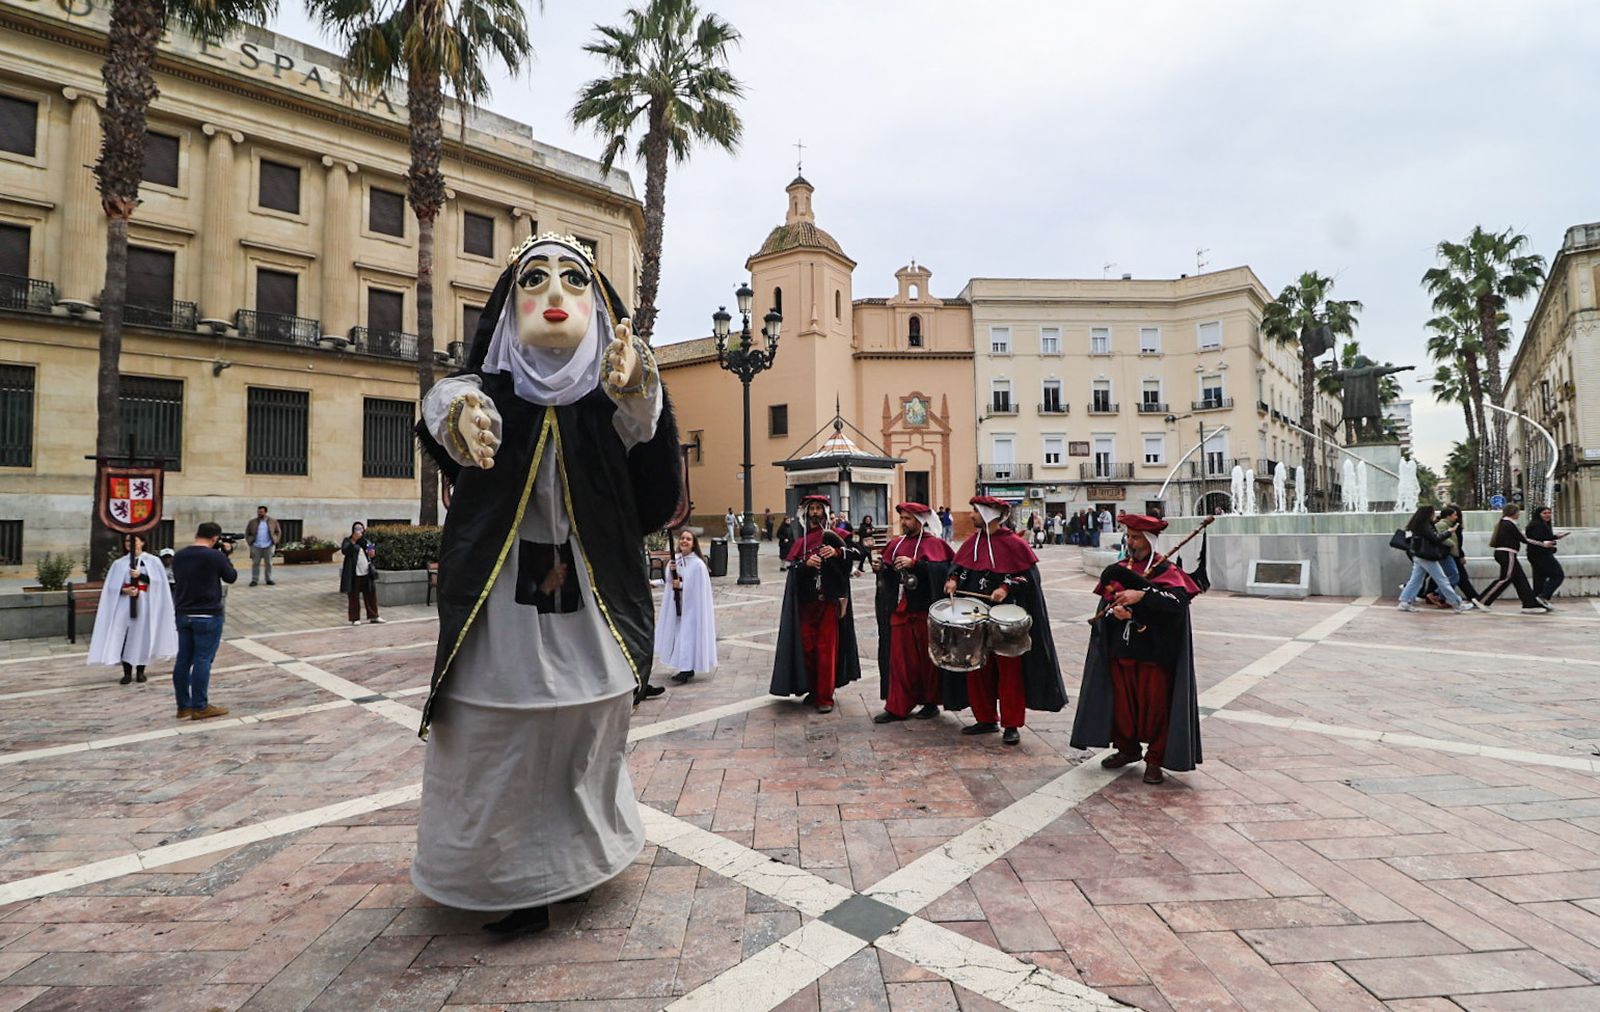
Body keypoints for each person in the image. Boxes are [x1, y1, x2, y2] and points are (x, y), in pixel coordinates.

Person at [410, 233, 683, 936]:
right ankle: (513, 881)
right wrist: (459, 420)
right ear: (510, 304)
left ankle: (581, 864)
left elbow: (644, 430)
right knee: (496, 736)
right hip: (502, 614)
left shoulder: (611, 398)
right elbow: (447, 405)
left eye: (575, 280)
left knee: (588, 731)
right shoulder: (484, 395)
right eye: (536, 279)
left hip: (589, 602)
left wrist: (639, 384)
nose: (557, 295)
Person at [1072, 514, 1203, 784]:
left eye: (1135, 537)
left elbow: (1176, 606)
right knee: (1122, 708)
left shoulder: (1167, 571)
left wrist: (1143, 596)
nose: (1130, 542)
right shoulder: (1121, 567)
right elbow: (1105, 605)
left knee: (1156, 710)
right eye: (1128, 536)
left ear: (1149, 539)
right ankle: (1127, 749)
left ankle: (1155, 759)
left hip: (1154, 655)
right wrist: (1114, 613)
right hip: (1121, 651)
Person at [944, 495, 1068, 746]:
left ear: (990, 514)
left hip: (1005, 621)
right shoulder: (972, 542)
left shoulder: (1015, 544)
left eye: (976, 512)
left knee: (1009, 672)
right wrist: (953, 580)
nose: (971, 516)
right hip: (975, 618)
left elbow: (1027, 578)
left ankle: (1011, 724)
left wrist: (1005, 587)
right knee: (977, 668)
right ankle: (986, 718)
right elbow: (960, 568)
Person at [771, 495, 862, 714]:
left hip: (828, 603)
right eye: (811, 509)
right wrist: (805, 564)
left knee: (826, 650)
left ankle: (825, 697)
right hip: (805, 604)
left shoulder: (838, 535)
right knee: (808, 650)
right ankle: (812, 690)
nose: (814, 513)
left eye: (818, 509)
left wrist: (837, 552)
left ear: (825, 512)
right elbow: (792, 569)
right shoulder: (801, 542)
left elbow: (859, 553)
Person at [871, 502, 956, 724]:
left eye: (908, 519)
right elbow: (890, 574)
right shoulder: (896, 544)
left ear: (920, 521)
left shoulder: (935, 544)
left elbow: (944, 571)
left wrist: (917, 564)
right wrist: (881, 568)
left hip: (924, 612)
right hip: (900, 611)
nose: (904, 523)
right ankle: (897, 705)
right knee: (899, 660)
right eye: (903, 518)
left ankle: (930, 703)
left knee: (927, 661)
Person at [89, 531, 177, 685]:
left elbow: (159, 583)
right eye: (127, 541)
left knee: (143, 637)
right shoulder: (119, 564)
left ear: (142, 542)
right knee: (126, 637)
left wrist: (140, 576)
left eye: (134, 540)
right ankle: (127, 672)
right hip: (125, 605)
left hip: (145, 604)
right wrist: (124, 590)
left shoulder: (153, 561)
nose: (130, 543)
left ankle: (141, 671)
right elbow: (111, 587)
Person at [170, 522, 237, 720]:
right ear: (215, 538)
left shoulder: (179, 555)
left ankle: (183, 706)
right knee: (202, 659)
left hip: (183, 613)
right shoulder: (214, 556)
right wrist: (225, 555)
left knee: (183, 659)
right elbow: (231, 576)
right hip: (207, 614)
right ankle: (200, 706)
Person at [656, 529, 716, 684]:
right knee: (679, 635)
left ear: (693, 544)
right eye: (682, 538)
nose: (684, 541)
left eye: (688, 539)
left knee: (688, 635)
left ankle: (686, 669)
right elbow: (668, 581)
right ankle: (686, 667)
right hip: (678, 606)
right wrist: (671, 572)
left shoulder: (698, 565)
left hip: (692, 608)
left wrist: (681, 584)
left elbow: (698, 588)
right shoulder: (674, 560)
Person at [1395, 506, 1473, 613]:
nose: (1434, 515)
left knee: (1416, 580)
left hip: (1418, 556)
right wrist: (1449, 532)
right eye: (1432, 513)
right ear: (1427, 515)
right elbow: (1436, 539)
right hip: (1427, 557)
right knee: (1442, 580)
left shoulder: (1417, 525)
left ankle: (1405, 602)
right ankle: (1457, 603)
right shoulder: (1425, 526)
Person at [1479, 504, 1549, 613]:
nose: (1519, 514)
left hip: (1506, 553)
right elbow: (1524, 539)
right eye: (1518, 512)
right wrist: (1543, 544)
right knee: (1506, 578)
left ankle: (1529, 604)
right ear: (1513, 513)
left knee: (1520, 579)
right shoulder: (1509, 524)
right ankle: (1483, 600)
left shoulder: (1505, 523)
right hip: (1507, 553)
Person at [340, 522, 385, 625]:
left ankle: (374, 616)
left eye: (361, 529)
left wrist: (372, 552)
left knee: (370, 595)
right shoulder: (348, 541)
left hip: (366, 573)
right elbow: (344, 550)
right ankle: (355, 618)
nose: (359, 531)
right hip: (354, 574)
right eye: (357, 529)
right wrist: (354, 540)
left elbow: (372, 553)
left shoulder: (366, 541)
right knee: (354, 596)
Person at [1525, 506, 1567, 607]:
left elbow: (1542, 538)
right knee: (1558, 575)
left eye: (1549, 513)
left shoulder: (1541, 524)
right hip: (1540, 555)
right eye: (1545, 513)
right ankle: (1544, 596)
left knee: (1540, 578)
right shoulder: (1537, 525)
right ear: (1539, 514)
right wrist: (1546, 543)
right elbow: (1536, 540)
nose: (1548, 515)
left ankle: (1537, 602)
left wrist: (1555, 537)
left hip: (1537, 554)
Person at [245, 505, 280, 587]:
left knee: (268, 563)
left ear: (265, 512)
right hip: (256, 545)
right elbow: (247, 532)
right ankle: (254, 580)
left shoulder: (273, 521)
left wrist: (275, 540)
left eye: (261, 512)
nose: (259, 513)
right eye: (258, 512)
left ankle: (269, 579)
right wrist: (249, 541)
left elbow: (278, 532)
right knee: (255, 563)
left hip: (268, 545)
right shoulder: (252, 522)